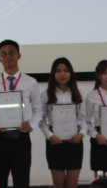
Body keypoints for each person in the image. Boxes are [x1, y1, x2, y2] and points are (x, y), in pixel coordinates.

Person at [0, 39, 43, 188]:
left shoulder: (30, 82)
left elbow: (38, 109)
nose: (8, 56)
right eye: (3, 54)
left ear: (19, 55)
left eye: (11, 52)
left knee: (22, 182)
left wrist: (32, 125)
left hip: (21, 139)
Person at [40, 57, 87, 188]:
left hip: (74, 142)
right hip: (55, 142)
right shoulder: (46, 94)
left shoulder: (79, 93)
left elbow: (83, 119)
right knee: (59, 185)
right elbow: (41, 119)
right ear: (53, 74)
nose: (62, 74)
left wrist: (81, 134)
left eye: (66, 71)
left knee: (72, 185)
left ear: (71, 73)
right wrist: (50, 136)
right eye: (58, 71)